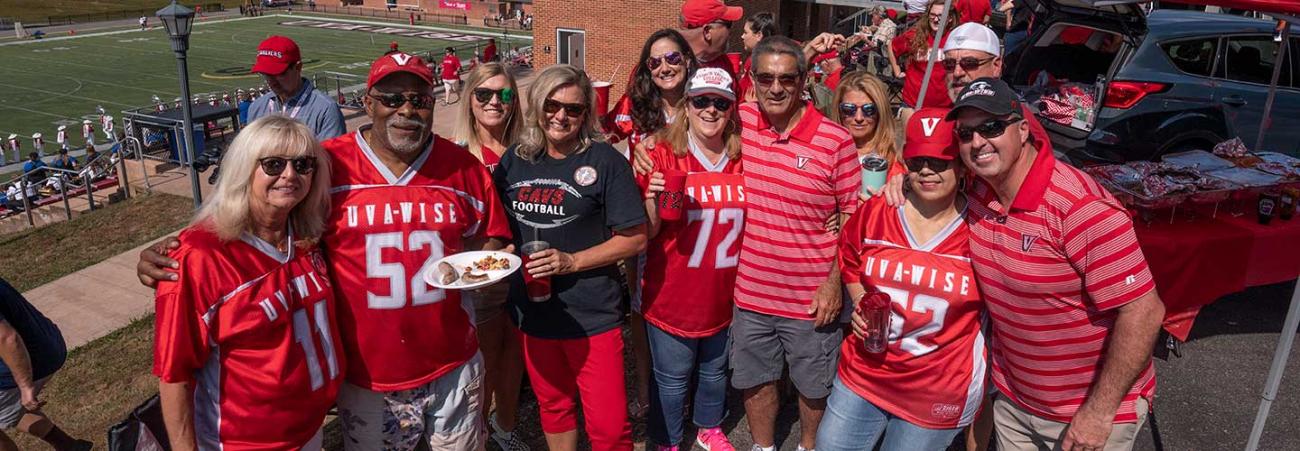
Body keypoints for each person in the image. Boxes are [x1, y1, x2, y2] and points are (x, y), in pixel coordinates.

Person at [139, 52, 513, 450]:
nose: (407, 110)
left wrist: (473, 262)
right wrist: (180, 246)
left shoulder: (464, 168)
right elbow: (257, 211)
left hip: (452, 361)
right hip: (367, 377)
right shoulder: (324, 165)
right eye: (391, 99)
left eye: (419, 100)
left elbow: (490, 239)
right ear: (368, 103)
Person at [946, 78, 1165, 451]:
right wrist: (898, 184)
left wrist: (1098, 412)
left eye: (992, 126)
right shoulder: (980, 191)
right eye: (966, 133)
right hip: (1015, 402)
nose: (978, 142)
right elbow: (923, 165)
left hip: (1084, 414)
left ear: (1023, 129)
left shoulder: (1079, 208)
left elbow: (1144, 311)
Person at [153, 116, 342, 451]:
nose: (289, 175)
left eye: (302, 164)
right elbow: (175, 374)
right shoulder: (200, 256)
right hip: (246, 441)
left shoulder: (304, 236)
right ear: (244, 168)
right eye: (272, 164)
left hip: (308, 430)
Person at [493, 64, 648, 451]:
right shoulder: (516, 159)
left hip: (591, 315)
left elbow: (635, 239)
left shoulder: (605, 161)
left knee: (610, 428)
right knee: (554, 407)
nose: (560, 116)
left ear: (586, 115)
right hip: (534, 311)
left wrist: (571, 262)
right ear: (537, 105)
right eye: (551, 104)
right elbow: (496, 227)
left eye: (573, 109)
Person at [816, 108, 985, 451]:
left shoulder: (981, 231)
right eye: (916, 161)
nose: (926, 170)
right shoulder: (879, 210)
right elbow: (848, 254)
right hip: (866, 373)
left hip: (935, 389)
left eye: (939, 162)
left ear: (962, 166)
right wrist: (861, 297)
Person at [729, 36, 859, 451]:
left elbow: (852, 217)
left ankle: (807, 447)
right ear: (752, 79)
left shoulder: (835, 140)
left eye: (787, 78)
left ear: (804, 80)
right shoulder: (741, 121)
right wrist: (645, 154)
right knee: (755, 380)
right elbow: (683, 123)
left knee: (814, 387)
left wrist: (833, 284)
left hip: (811, 296)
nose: (776, 87)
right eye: (765, 77)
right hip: (752, 291)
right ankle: (763, 447)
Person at [636, 68, 743, 451]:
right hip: (673, 293)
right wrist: (651, 198)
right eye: (701, 101)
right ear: (687, 105)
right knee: (672, 377)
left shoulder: (744, 157)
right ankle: (667, 439)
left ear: (732, 108)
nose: (710, 110)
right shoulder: (662, 153)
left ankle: (708, 427)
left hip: (723, 294)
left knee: (715, 371)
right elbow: (646, 233)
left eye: (720, 102)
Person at [605, 28, 697, 420]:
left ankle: (689, 383)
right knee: (643, 306)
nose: (664, 67)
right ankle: (645, 384)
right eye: (654, 61)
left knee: (694, 300)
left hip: (698, 213)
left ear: (688, 61)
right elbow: (605, 142)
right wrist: (630, 147)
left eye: (673, 58)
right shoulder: (635, 103)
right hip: (646, 216)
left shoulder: (707, 97)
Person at [448, 61, 530, 451]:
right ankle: (477, 431)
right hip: (479, 273)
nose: (495, 101)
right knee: (482, 363)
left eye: (505, 94)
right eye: (484, 94)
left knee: (514, 356)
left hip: (527, 266)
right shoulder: (455, 153)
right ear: (470, 99)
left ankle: (505, 426)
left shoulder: (529, 148)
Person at [0, 278, 89, 451]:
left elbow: (7, 338)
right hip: (47, 341)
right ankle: (68, 446)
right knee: (7, 410)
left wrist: (25, 387)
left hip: (26, 361)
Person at [247, 36, 348, 140]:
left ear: (298, 67)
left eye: (278, 73)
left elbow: (332, 154)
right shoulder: (257, 107)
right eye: (265, 74)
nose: (271, 81)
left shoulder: (325, 109)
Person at [890, 0, 959, 127]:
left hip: (945, 107)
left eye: (940, 16)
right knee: (911, 144)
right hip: (913, 105)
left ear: (949, 18)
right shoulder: (915, 35)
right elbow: (892, 45)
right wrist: (897, 71)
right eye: (932, 15)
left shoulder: (955, 39)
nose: (936, 19)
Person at [828, 71, 902, 178]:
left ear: (880, 111)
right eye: (849, 109)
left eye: (869, 109)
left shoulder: (896, 157)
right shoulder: (826, 153)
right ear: (839, 110)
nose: (859, 118)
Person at [679, 0, 744, 76]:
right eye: (728, 24)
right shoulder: (673, 66)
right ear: (707, 32)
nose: (731, 31)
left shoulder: (723, 61)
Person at [942, 23, 1003, 103]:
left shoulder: (1013, 114)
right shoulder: (933, 113)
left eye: (969, 63)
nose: (957, 73)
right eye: (949, 64)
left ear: (996, 66)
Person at [738, 12, 777, 101]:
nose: (742, 36)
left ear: (759, 35)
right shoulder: (752, 58)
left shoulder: (762, 62)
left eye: (745, 32)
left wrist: (753, 104)